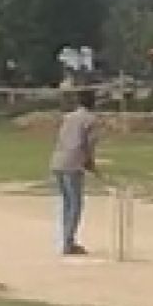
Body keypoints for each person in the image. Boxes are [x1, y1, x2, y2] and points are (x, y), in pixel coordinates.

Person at [50, 90, 98, 256]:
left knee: (67, 203)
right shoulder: (90, 119)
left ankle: (66, 239)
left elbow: (62, 139)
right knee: (75, 204)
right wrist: (90, 163)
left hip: (58, 160)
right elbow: (88, 144)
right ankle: (68, 243)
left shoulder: (68, 117)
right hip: (72, 163)